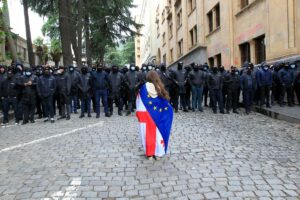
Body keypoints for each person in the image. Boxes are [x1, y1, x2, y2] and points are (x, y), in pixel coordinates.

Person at [136, 71, 173, 160]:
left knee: (147, 134)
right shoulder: (159, 88)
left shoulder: (143, 88)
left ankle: (149, 154)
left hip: (145, 115)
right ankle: (158, 154)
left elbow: (138, 101)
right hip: (158, 116)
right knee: (158, 134)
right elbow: (164, 103)